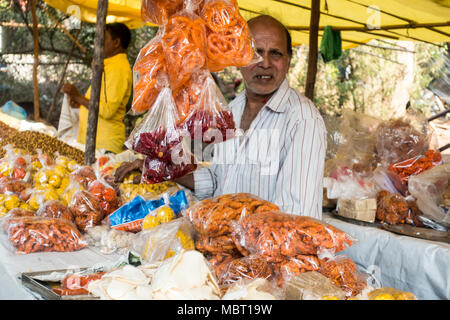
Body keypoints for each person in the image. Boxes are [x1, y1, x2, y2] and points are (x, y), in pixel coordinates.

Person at [115, 15, 327, 219]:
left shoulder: (302, 120)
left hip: (262, 250)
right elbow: (217, 181)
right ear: (239, 57)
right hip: (222, 242)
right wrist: (162, 169)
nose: (265, 63)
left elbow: (297, 216)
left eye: (276, 54)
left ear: (288, 60)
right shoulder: (230, 111)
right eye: (256, 51)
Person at [61, 23, 133, 154]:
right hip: (96, 144)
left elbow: (108, 111)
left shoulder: (119, 68)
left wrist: (78, 97)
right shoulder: (111, 65)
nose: (98, 43)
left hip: (105, 146)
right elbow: (101, 104)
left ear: (116, 42)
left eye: (103, 39)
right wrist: (80, 104)